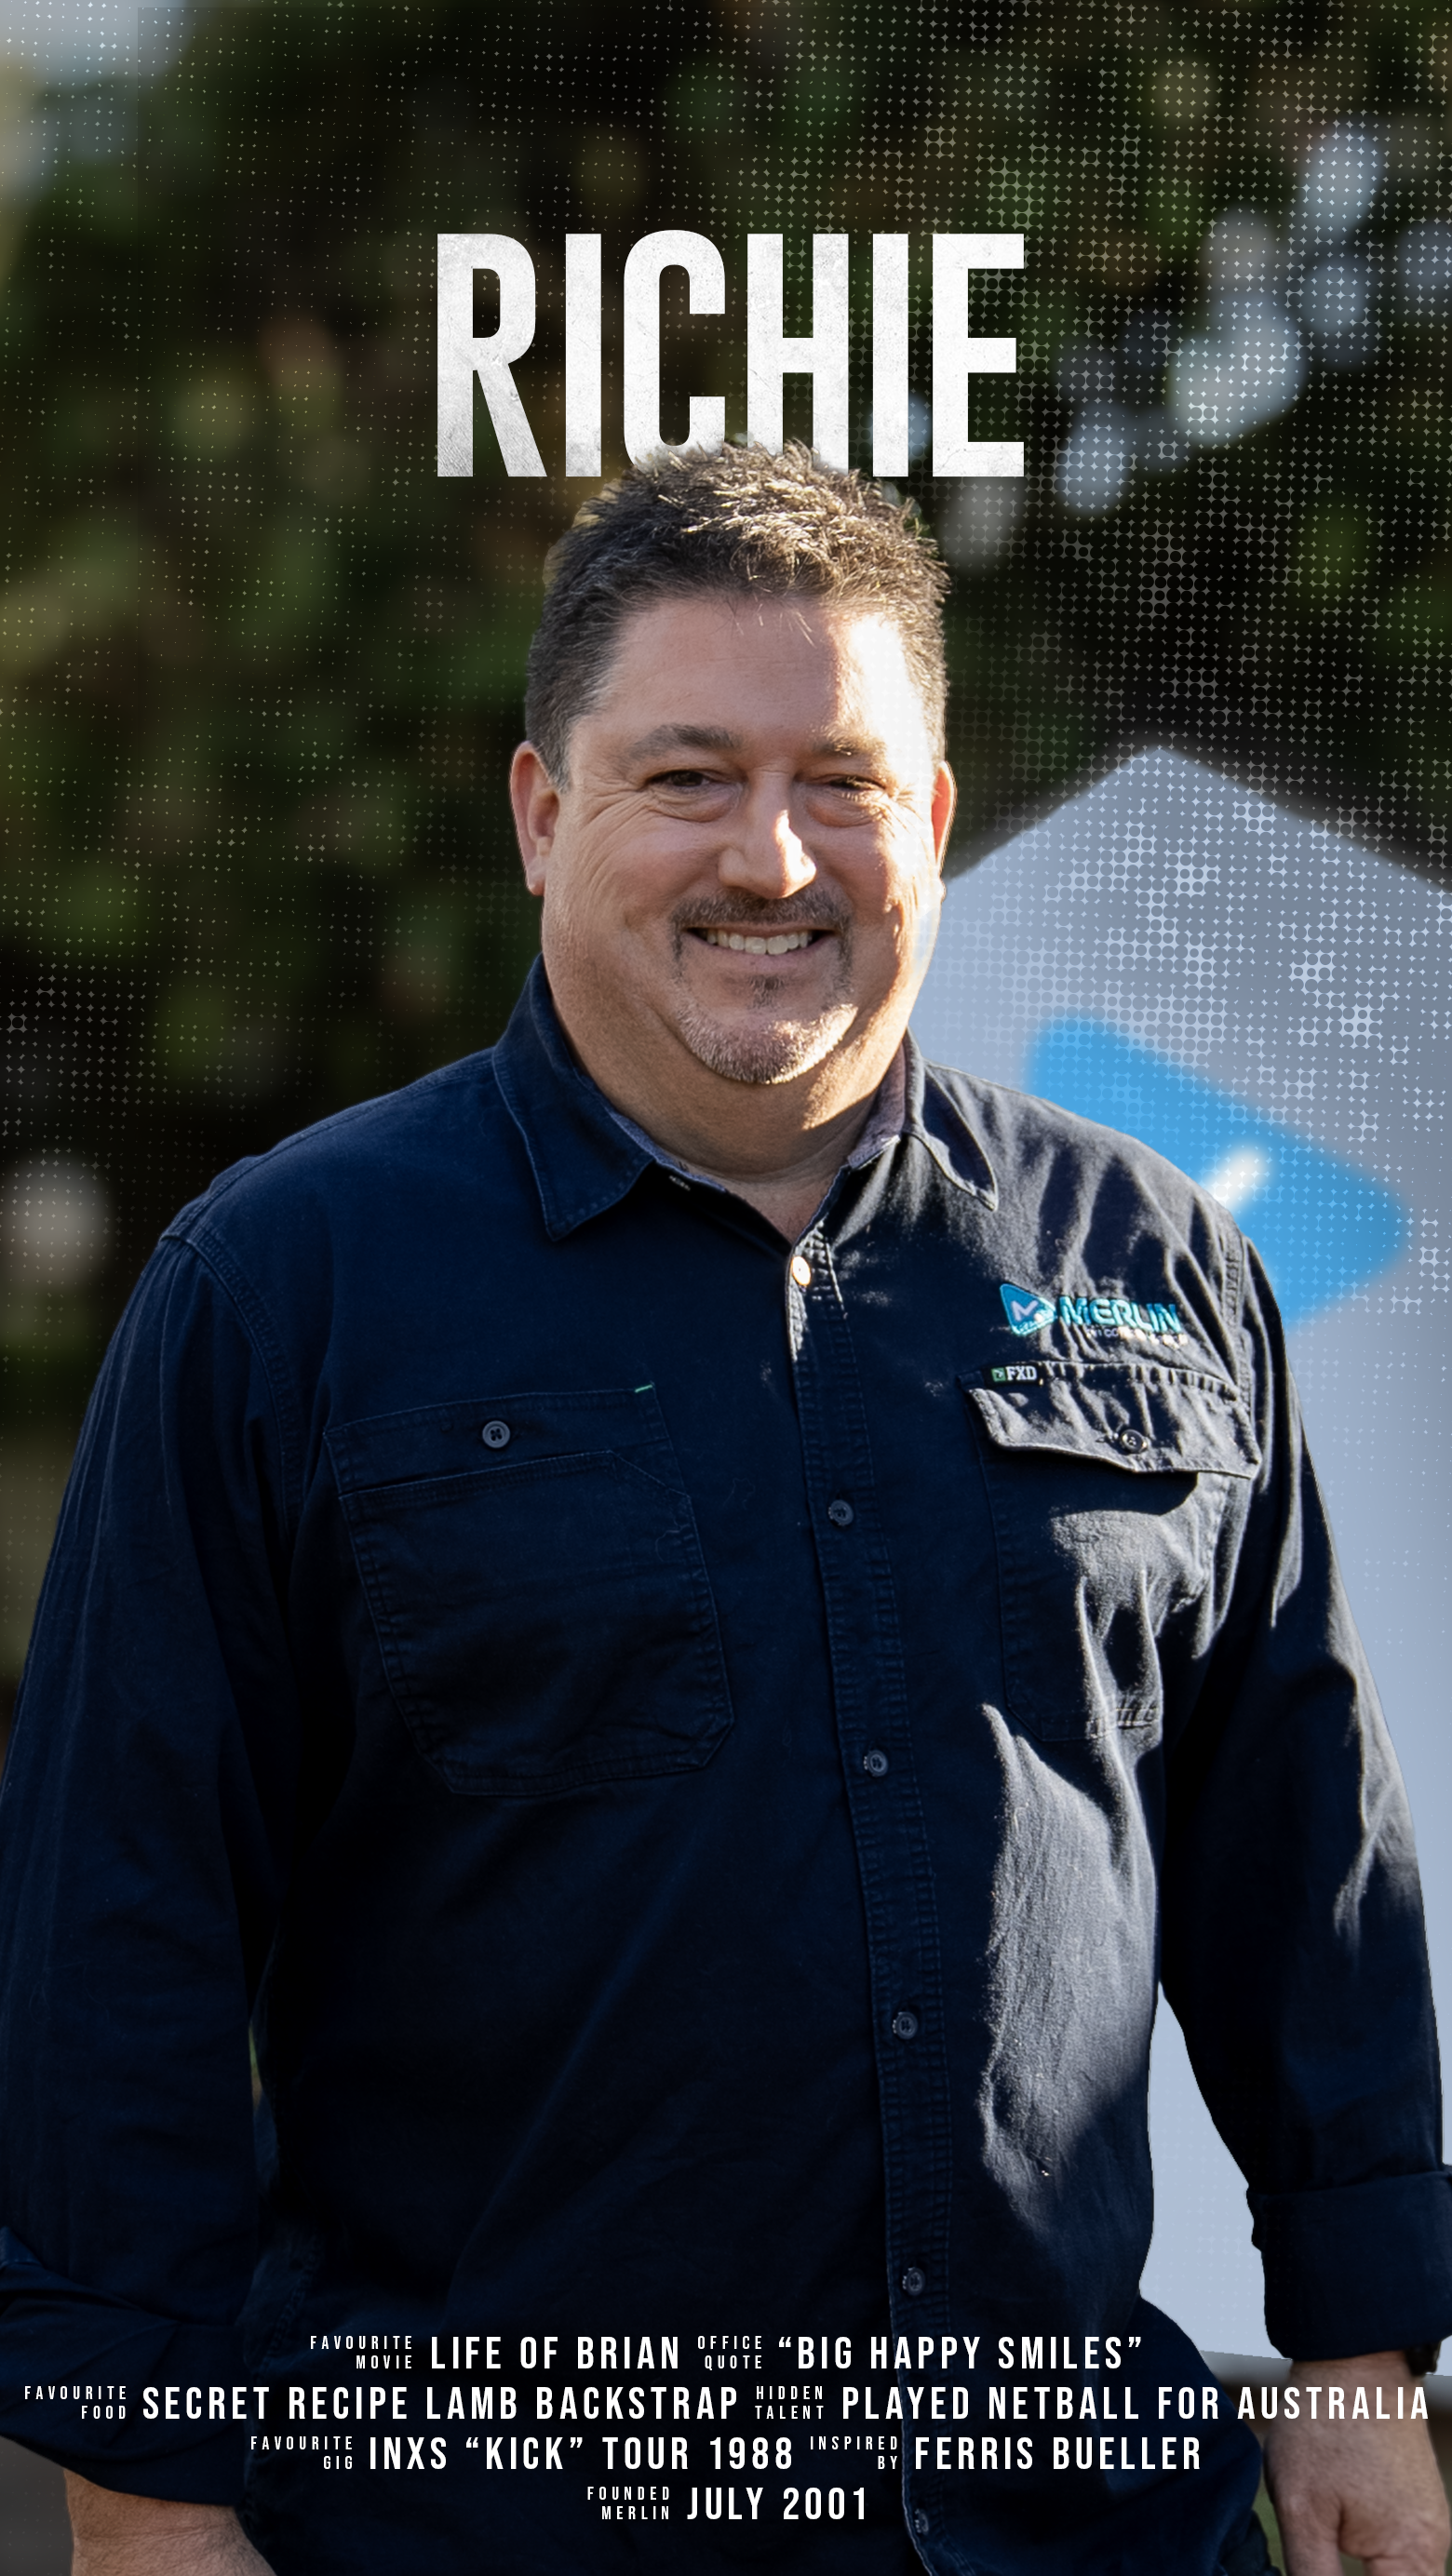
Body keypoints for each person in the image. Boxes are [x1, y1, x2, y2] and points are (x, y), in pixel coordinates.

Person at [0, 444, 1448, 2576]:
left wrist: (1358, 2360)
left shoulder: (1155, 1258)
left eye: (843, 779)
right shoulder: (284, 1289)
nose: (773, 856)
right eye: (687, 775)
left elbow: (1297, 1842)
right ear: (539, 816)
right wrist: (142, 2490)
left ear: (937, 822)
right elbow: (115, 1915)